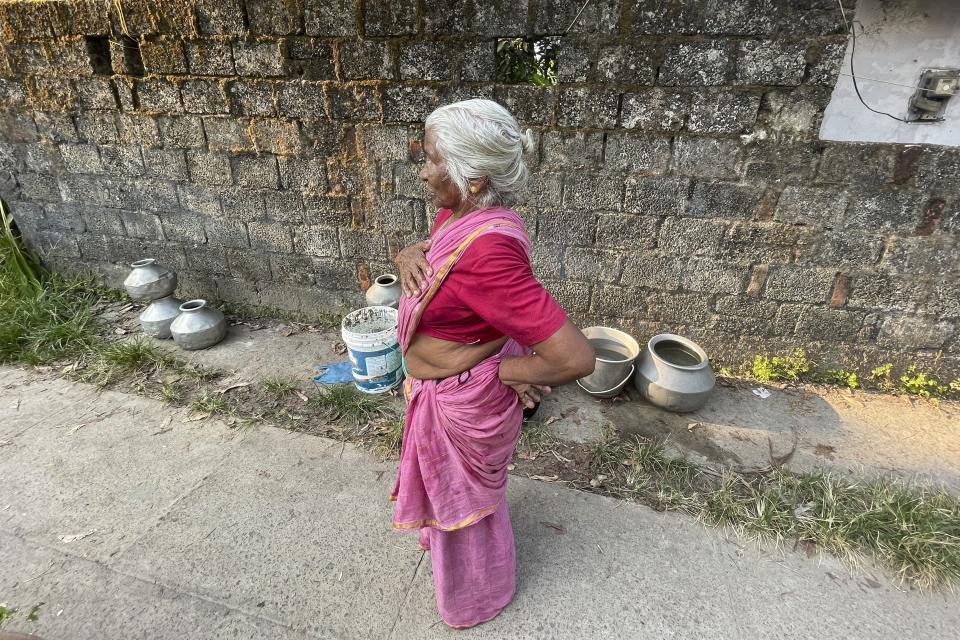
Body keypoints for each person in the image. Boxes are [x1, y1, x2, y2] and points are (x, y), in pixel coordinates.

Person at [389, 98, 596, 629]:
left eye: (433, 159)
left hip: (465, 397)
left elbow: (575, 357)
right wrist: (406, 255)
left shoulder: (487, 252)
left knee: (470, 515)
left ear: (474, 178)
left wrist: (504, 372)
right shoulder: (464, 213)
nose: (424, 170)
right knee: (454, 501)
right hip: (447, 386)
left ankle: (476, 599)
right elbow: (442, 261)